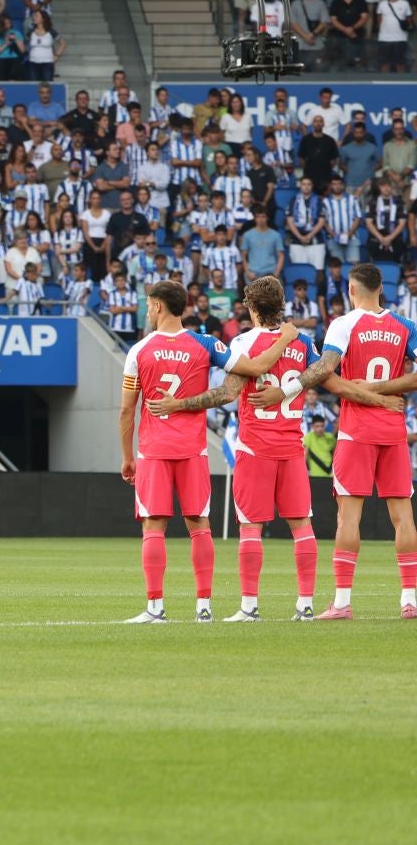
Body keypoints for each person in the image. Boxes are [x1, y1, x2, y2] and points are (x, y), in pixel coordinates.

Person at [147, 277, 319, 621]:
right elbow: (321, 373)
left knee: (251, 527)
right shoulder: (304, 342)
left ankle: (249, 606)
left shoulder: (243, 342)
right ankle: (305, 604)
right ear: (281, 303)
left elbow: (225, 394)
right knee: (302, 525)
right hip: (291, 446)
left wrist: (179, 404)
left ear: (251, 307)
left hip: (255, 447)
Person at [259, 262, 417, 618]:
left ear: (351, 289)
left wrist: (287, 389)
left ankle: (342, 602)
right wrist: (383, 390)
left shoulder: (344, 324)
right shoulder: (406, 326)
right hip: (393, 428)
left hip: (356, 430)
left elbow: (325, 369)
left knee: (349, 517)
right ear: (381, 288)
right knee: (403, 516)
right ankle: (410, 600)